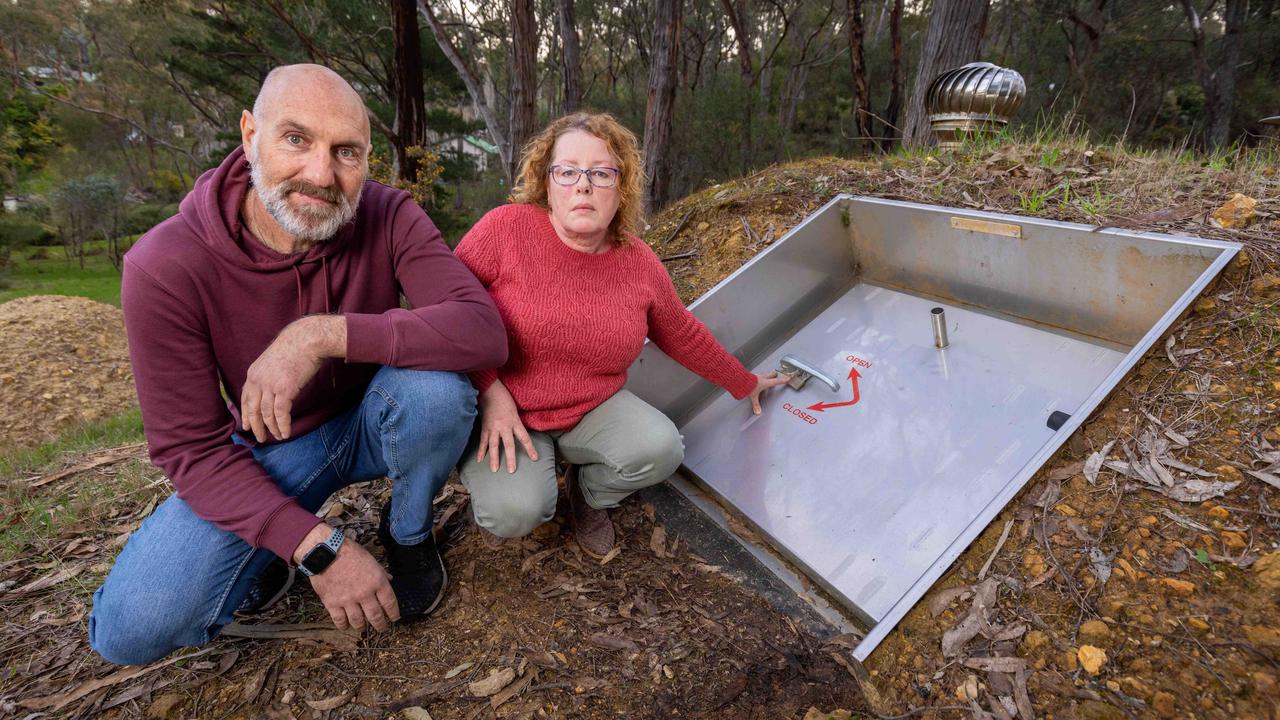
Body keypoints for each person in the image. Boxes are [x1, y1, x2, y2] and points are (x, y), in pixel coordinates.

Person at [88, 65, 507, 666]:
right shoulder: (165, 265)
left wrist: (320, 335)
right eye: (295, 139)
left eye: (346, 152)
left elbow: (480, 329)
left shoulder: (389, 215)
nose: (321, 174)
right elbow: (191, 451)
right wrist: (316, 547)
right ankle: (269, 549)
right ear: (249, 135)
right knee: (130, 630)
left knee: (437, 392)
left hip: (375, 418)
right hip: (271, 446)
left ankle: (408, 532)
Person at [454, 112, 786, 557]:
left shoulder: (638, 261)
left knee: (661, 449)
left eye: (601, 173)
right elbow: (446, 310)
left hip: (590, 409)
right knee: (515, 512)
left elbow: (681, 331)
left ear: (621, 187)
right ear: (546, 182)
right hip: (504, 409)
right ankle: (523, 483)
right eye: (568, 171)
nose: (583, 185)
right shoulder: (503, 230)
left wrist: (743, 382)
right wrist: (488, 389)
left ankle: (588, 494)